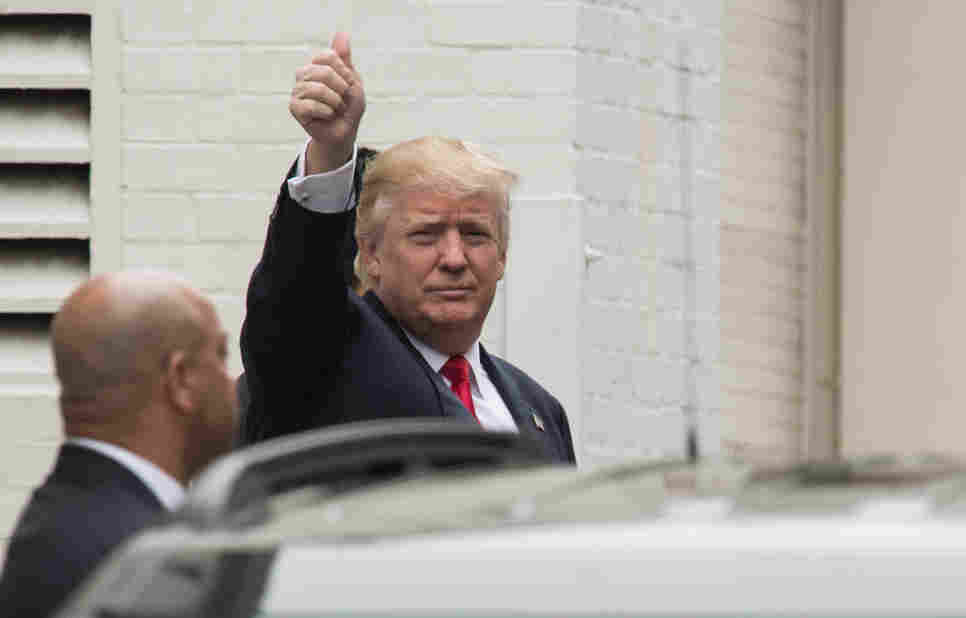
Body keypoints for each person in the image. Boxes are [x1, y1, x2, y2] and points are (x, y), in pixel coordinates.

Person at [239, 32, 574, 462]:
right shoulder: (329, 357)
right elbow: (297, 297)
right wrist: (331, 152)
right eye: (426, 235)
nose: (454, 259)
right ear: (371, 254)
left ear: (503, 255)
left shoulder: (540, 410)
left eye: (475, 235)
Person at [0, 272, 237, 618]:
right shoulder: (143, 564)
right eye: (220, 355)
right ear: (181, 379)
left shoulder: (61, 528)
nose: (230, 382)